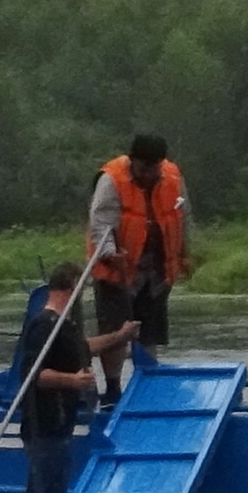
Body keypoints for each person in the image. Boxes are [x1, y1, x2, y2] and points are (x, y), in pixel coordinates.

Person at [4, 261, 101, 493]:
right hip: (47, 427)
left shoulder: (63, 327)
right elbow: (34, 374)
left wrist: (120, 337)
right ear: (70, 287)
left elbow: (82, 348)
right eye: (81, 288)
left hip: (55, 428)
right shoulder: (43, 326)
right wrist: (74, 381)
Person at [86, 133, 195, 396]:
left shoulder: (173, 176)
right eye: (144, 167)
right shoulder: (111, 179)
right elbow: (100, 222)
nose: (149, 173)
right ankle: (113, 390)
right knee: (115, 331)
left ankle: (147, 386)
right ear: (132, 161)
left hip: (156, 269)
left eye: (154, 167)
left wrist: (185, 253)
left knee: (150, 331)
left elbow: (182, 217)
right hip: (117, 271)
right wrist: (111, 254)